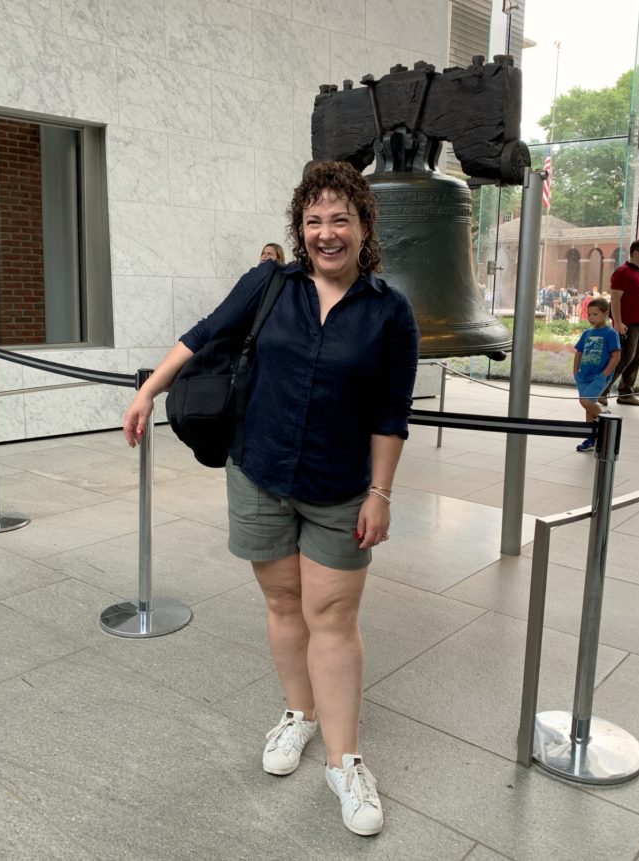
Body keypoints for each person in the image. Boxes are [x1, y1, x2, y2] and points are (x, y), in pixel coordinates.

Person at [123, 161, 419, 837]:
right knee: (285, 602)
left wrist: (381, 492)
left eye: (340, 218)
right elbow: (200, 334)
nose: (326, 232)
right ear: (299, 228)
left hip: (341, 488)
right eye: (314, 220)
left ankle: (345, 761)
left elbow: (391, 414)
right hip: (259, 472)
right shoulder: (270, 285)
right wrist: (147, 391)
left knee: (332, 617)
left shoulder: (388, 312)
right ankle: (299, 715)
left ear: (365, 226)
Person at [599, 239, 639, 406]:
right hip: (628, 324)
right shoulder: (622, 272)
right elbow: (615, 299)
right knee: (623, 358)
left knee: (636, 359)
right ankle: (601, 390)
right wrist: (618, 322)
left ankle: (625, 393)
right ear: (636, 252)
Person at [573, 296, 621, 452]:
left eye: (595, 314)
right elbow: (579, 352)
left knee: (587, 402)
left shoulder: (610, 334)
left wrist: (604, 374)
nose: (591, 318)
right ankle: (591, 438)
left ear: (606, 314)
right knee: (588, 407)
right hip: (584, 376)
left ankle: (605, 419)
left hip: (599, 376)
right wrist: (576, 372)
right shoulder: (587, 333)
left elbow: (616, 355)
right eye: (589, 315)